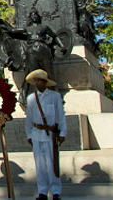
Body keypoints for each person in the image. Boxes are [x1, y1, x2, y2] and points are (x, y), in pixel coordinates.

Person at [25, 70, 66, 200]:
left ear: (45, 82)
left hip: (51, 135)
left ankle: (55, 192)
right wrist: (29, 135)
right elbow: (29, 119)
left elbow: (61, 115)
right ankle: (42, 191)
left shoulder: (54, 96)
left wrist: (63, 132)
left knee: (53, 164)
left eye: (39, 81)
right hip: (37, 134)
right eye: (36, 81)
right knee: (40, 165)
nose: (37, 83)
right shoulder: (31, 98)